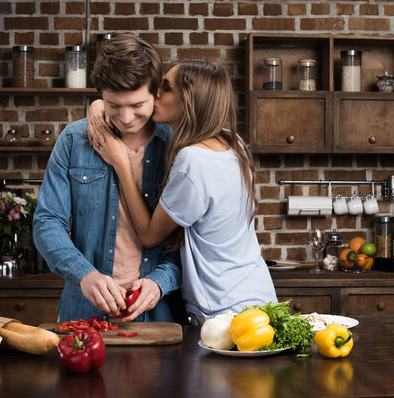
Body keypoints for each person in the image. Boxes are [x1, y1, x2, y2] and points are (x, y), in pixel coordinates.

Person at [87, 59, 277, 323]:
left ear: (189, 100)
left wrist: (121, 163)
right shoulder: (234, 144)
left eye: (165, 88)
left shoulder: (193, 161)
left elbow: (150, 235)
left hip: (225, 312)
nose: (155, 94)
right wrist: (99, 105)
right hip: (258, 296)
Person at [33, 34, 185, 323]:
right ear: (100, 96)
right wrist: (84, 274)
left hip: (159, 313)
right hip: (83, 309)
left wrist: (161, 281)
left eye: (137, 104)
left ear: (156, 93)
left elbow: (187, 237)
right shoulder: (74, 140)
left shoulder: (176, 148)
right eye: (114, 105)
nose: (126, 117)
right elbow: (46, 222)